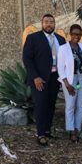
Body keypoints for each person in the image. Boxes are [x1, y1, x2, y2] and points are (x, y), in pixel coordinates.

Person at [23, 14, 66, 146]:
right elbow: (27, 59)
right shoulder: (33, 38)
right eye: (46, 22)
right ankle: (40, 134)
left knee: (51, 105)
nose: (49, 24)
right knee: (40, 105)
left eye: (51, 22)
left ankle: (47, 130)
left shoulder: (61, 39)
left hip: (54, 78)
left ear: (54, 24)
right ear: (42, 24)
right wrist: (35, 77)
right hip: (39, 79)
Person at [57, 24, 82, 143]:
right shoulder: (63, 48)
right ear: (70, 34)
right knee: (70, 106)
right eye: (74, 34)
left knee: (81, 105)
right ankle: (71, 131)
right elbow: (60, 68)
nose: (77, 36)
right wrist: (67, 84)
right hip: (70, 80)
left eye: (79, 34)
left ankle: (77, 127)